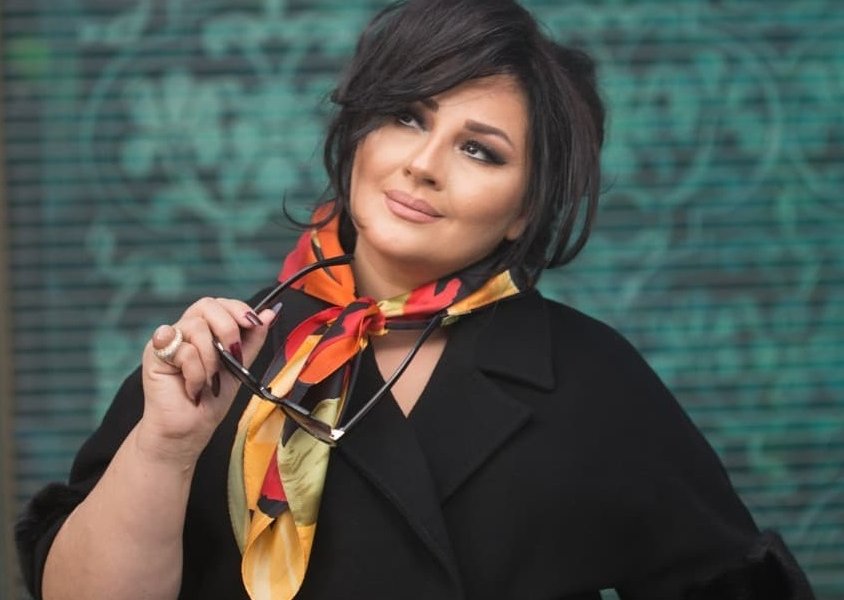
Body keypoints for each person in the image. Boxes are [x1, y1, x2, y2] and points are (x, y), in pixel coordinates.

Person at [16, 0, 815, 598]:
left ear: (526, 209)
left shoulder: (589, 380)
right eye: (405, 116)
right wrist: (166, 444)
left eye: (479, 150)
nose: (423, 164)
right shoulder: (221, 349)